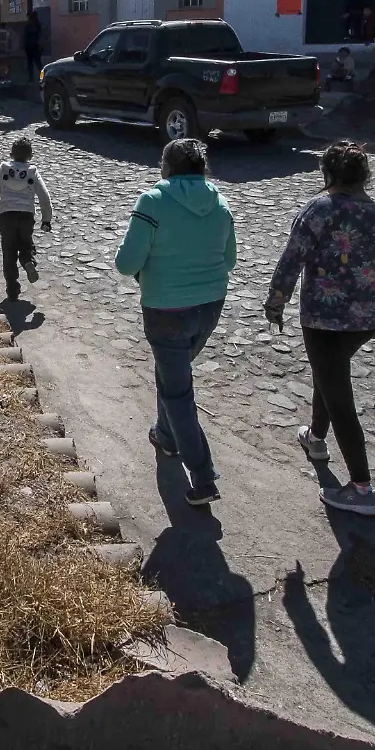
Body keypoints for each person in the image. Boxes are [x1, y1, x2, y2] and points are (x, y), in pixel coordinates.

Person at [264, 140, 375, 517]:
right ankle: (315, 438)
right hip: (363, 320)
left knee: (339, 398)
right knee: (328, 375)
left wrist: (275, 302)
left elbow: (291, 260)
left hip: (322, 319)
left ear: (327, 173)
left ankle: (362, 487)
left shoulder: (318, 210)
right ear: (365, 176)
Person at [114, 139, 237, 507]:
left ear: (166, 167)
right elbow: (229, 260)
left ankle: (202, 477)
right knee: (173, 377)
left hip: (166, 310)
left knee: (178, 392)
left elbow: (126, 263)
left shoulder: (152, 201)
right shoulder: (221, 202)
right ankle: (166, 437)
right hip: (210, 306)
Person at [0, 137, 52, 302]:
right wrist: (46, 219)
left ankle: (12, 289)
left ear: (11, 154)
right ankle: (28, 261)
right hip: (26, 216)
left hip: (7, 216)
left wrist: (0, 196)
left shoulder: (3, 170)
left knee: (8, 252)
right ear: (30, 156)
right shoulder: (32, 172)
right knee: (25, 245)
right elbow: (44, 197)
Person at [22, 11, 44, 83]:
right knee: (37, 63)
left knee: (31, 63)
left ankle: (32, 78)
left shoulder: (29, 25)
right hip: (34, 46)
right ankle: (42, 77)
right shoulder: (37, 25)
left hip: (31, 46)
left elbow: (25, 36)